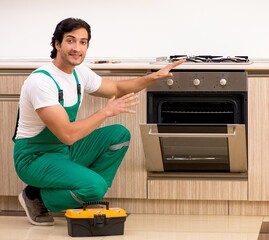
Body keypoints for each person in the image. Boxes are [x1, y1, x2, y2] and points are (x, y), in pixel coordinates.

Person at [12, 17, 185, 226]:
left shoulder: (79, 73)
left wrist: (152, 77)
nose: (77, 48)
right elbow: (67, 134)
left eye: (83, 42)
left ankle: (83, 192)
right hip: (34, 157)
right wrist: (106, 112)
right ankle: (36, 196)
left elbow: (118, 89)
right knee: (95, 187)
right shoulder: (41, 82)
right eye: (70, 40)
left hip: (63, 151)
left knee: (119, 135)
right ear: (57, 44)